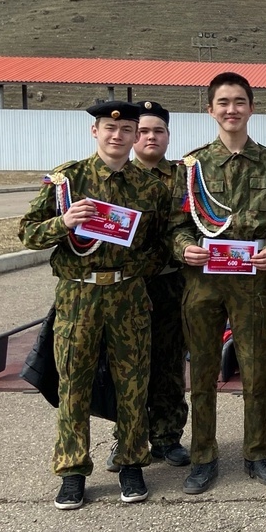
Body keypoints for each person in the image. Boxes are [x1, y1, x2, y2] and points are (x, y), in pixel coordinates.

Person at [19, 101, 171, 510]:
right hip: (78, 294)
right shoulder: (68, 179)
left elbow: (161, 247)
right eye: (108, 128)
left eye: (126, 131)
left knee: (133, 382)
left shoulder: (151, 187)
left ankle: (132, 463)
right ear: (95, 132)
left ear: (136, 136)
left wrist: (133, 268)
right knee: (74, 382)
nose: (116, 136)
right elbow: (27, 233)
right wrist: (63, 222)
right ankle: (72, 471)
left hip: (128, 295)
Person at [171, 72, 266, 495]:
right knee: (203, 374)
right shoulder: (191, 167)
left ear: (251, 108)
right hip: (204, 285)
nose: (231, 109)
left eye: (239, 101)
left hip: (253, 287)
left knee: (257, 372)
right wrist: (185, 248)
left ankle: (256, 454)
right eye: (223, 102)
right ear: (210, 110)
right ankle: (203, 456)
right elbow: (176, 226)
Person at [103, 100, 190, 471]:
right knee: (127, 368)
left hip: (170, 284)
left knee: (169, 363)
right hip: (127, 287)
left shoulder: (186, 176)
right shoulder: (117, 175)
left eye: (158, 130)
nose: (150, 137)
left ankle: (168, 438)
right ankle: (127, 439)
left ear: (168, 136)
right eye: (142, 131)